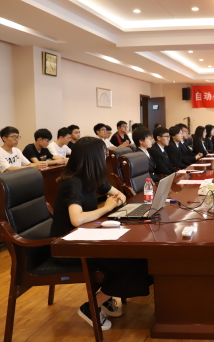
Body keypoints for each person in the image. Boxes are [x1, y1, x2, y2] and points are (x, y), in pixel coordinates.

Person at [50, 137, 151, 330]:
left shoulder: (92, 177)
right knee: (133, 263)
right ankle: (91, 306)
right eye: (103, 153)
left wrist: (115, 200)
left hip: (86, 237)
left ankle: (106, 296)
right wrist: (107, 208)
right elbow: (76, 219)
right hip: (69, 247)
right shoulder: (72, 182)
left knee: (136, 256)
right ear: (93, 158)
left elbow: (120, 195)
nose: (106, 156)